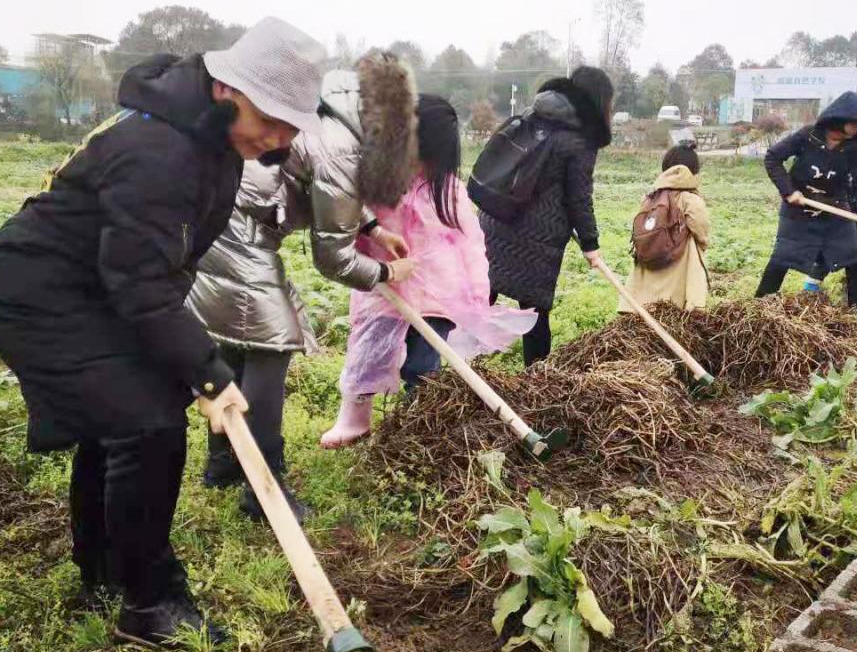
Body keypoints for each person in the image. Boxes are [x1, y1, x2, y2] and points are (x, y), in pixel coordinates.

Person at [0, 18, 326, 645]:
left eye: (290, 124)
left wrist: (190, 362)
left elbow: (156, 268)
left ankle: (107, 571)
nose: (277, 137)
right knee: (147, 423)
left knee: (125, 423)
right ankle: (150, 604)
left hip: (98, 287)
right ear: (226, 90)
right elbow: (141, 282)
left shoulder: (208, 134)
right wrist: (210, 372)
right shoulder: (163, 149)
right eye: (268, 117)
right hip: (45, 294)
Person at [186, 57, 419, 511]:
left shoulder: (322, 123)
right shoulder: (345, 149)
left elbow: (320, 190)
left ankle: (225, 466)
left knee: (236, 344)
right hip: (240, 232)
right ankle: (263, 489)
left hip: (216, 220)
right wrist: (388, 273)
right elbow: (331, 259)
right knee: (273, 344)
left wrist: (372, 230)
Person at [324, 96, 535, 444]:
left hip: (436, 293)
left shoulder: (448, 189)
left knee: (421, 367)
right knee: (366, 356)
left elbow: (470, 243)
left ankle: (417, 428)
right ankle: (354, 421)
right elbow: (353, 222)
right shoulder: (378, 180)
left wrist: (477, 292)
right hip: (386, 289)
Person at [481, 67, 613, 365]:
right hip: (535, 237)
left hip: (495, 220)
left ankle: (450, 372)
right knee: (536, 314)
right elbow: (579, 196)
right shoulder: (580, 138)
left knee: (477, 302)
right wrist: (591, 243)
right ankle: (537, 382)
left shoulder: (535, 114)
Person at [756, 91, 857, 318]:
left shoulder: (856, 149)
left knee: (855, 258)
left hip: (836, 211)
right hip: (799, 211)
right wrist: (789, 190)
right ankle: (760, 306)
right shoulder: (807, 136)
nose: (856, 129)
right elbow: (773, 158)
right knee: (782, 258)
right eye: (853, 123)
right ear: (840, 118)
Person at [619, 143, 711, 312]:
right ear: (693, 171)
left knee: (646, 306)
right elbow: (701, 230)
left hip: (649, 261)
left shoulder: (650, 198)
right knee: (677, 309)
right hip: (680, 267)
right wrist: (703, 243)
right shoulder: (689, 199)